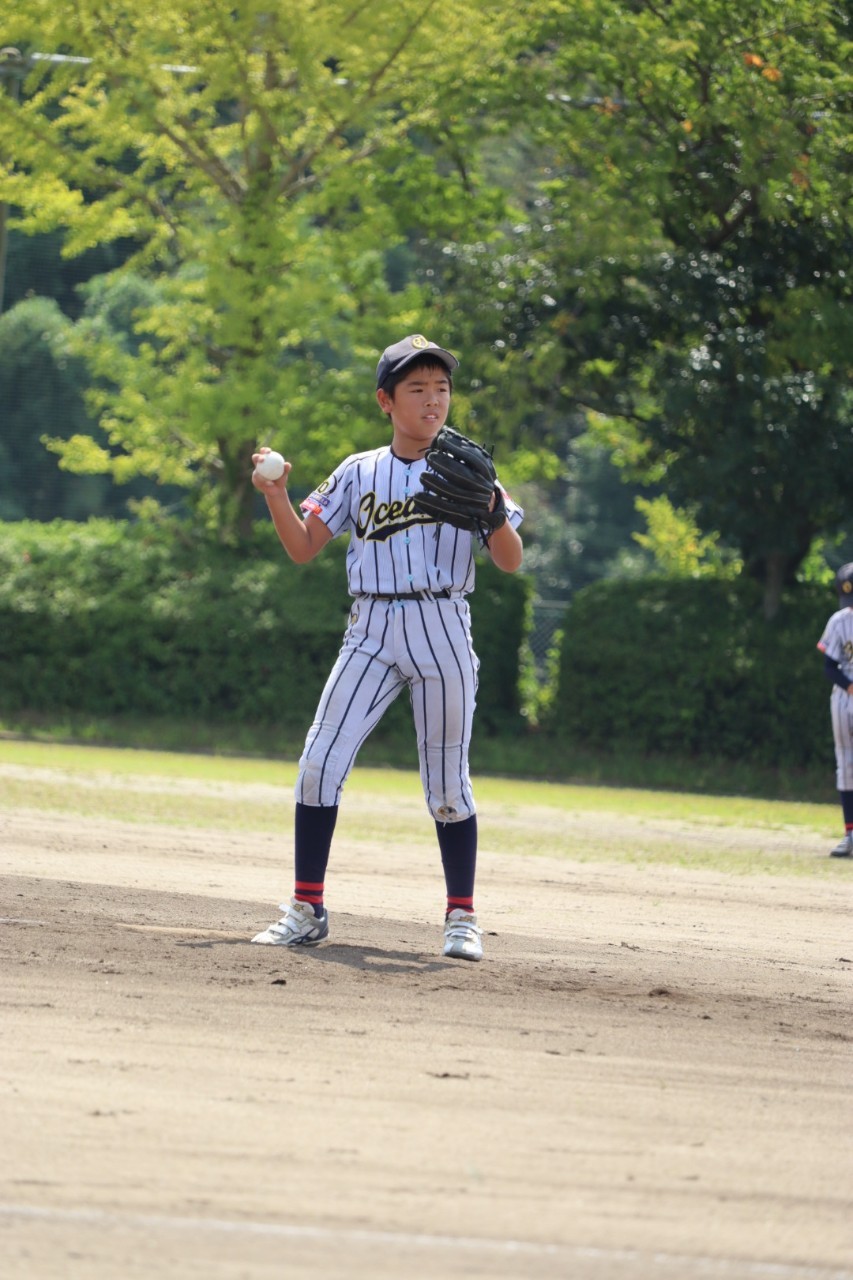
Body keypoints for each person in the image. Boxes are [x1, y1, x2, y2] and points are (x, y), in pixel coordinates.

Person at [249, 334, 524, 958]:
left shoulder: (473, 470)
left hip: (444, 626)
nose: (434, 400)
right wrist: (275, 496)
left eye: (443, 388)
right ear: (386, 400)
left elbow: (510, 561)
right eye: (418, 389)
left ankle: (461, 916)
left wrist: (493, 512)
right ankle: (306, 906)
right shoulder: (357, 471)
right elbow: (302, 547)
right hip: (369, 628)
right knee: (319, 764)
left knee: (448, 786)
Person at [816, 562, 853, 858]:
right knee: (846, 765)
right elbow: (829, 666)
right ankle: (850, 834)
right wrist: (849, 686)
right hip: (844, 698)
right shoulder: (839, 621)